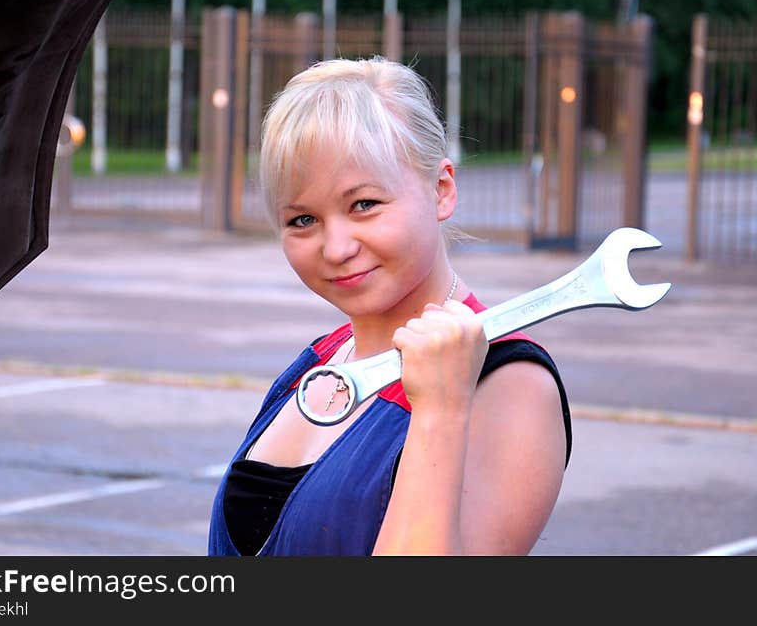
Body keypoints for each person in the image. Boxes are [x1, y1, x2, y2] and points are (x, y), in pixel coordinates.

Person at [207, 56, 570, 556]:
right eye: (303, 220)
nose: (335, 248)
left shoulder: (510, 385)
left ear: (441, 190)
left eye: (364, 205)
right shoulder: (321, 361)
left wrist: (440, 409)